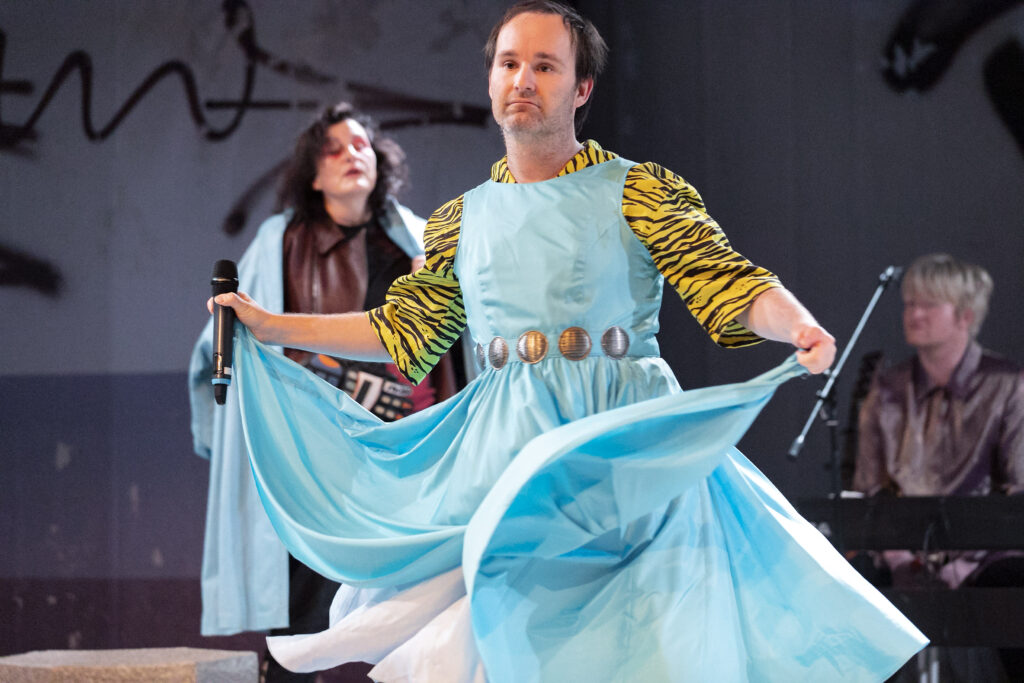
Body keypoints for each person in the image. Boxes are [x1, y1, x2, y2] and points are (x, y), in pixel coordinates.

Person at [210, 2, 927, 680]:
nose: (523, 80)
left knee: (651, 641)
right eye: (509, 63)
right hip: (503, 457)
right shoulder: (461, 221)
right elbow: (405, 330)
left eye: (546, 66)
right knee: (491, 646)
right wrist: (272, 326)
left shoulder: (637, 190)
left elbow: (727, 280)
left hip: (623, 451)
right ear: (491, 78)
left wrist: (795, 322)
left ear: (581, 87)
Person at [189, 102, 457, 681]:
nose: (351, 155)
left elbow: (450, 345)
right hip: (314, 444)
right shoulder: (279, 241)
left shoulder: (419, 236)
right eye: (334, 149)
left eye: (360, 144)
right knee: (304, 599)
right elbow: (237, 339)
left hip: (400, 451)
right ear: (314, 174)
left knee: (413, 600)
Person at [853, 253, 1024, 680]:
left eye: (929, 304)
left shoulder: (1008, 385)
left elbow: (1017, 491)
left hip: (986, 560)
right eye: (910, 303)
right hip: (902, 556)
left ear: (965, 315)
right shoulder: (887, 389)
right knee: (842, 578)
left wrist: (964, 562)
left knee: (1011, 584)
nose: (914, 313)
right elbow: (870, 489)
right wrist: (898, 556)